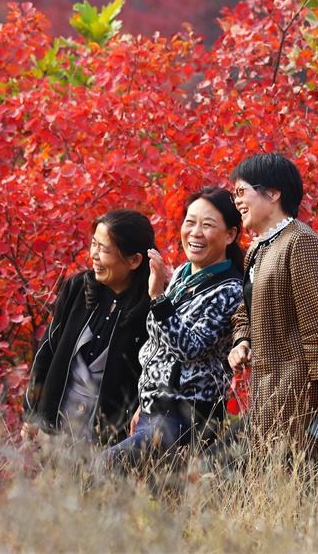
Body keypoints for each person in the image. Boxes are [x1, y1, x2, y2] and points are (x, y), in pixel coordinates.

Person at [99, 187, 244, 472]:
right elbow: (159, 345)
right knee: (158, 500)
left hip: (186, 419)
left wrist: (158, 298)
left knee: (102, 468)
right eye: (190, 222)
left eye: (208, 225)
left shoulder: (230, 290)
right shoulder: (181, 274)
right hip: (154, 412)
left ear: (230, 235)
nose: (195, 232)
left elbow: (189, 347)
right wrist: (146, 400)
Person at [227, 153, 318, 460]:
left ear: (273, 192)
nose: (237, 201)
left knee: (298, 479)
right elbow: (247, 311)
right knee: (272, 484)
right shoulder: (258, 247)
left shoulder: (301, 242)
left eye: (242, 192)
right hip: (268, 389)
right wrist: (242, 341)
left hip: (301, 391)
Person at [23, 209, 155, 445]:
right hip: (54, 429)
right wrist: (32, 411)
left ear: (135, 260)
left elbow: (153, 379)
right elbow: (47, 351)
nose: (94, 254)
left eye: (104, 249)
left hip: (106, 444)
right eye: (94, 244)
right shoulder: (78, 287)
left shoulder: (150, 308)